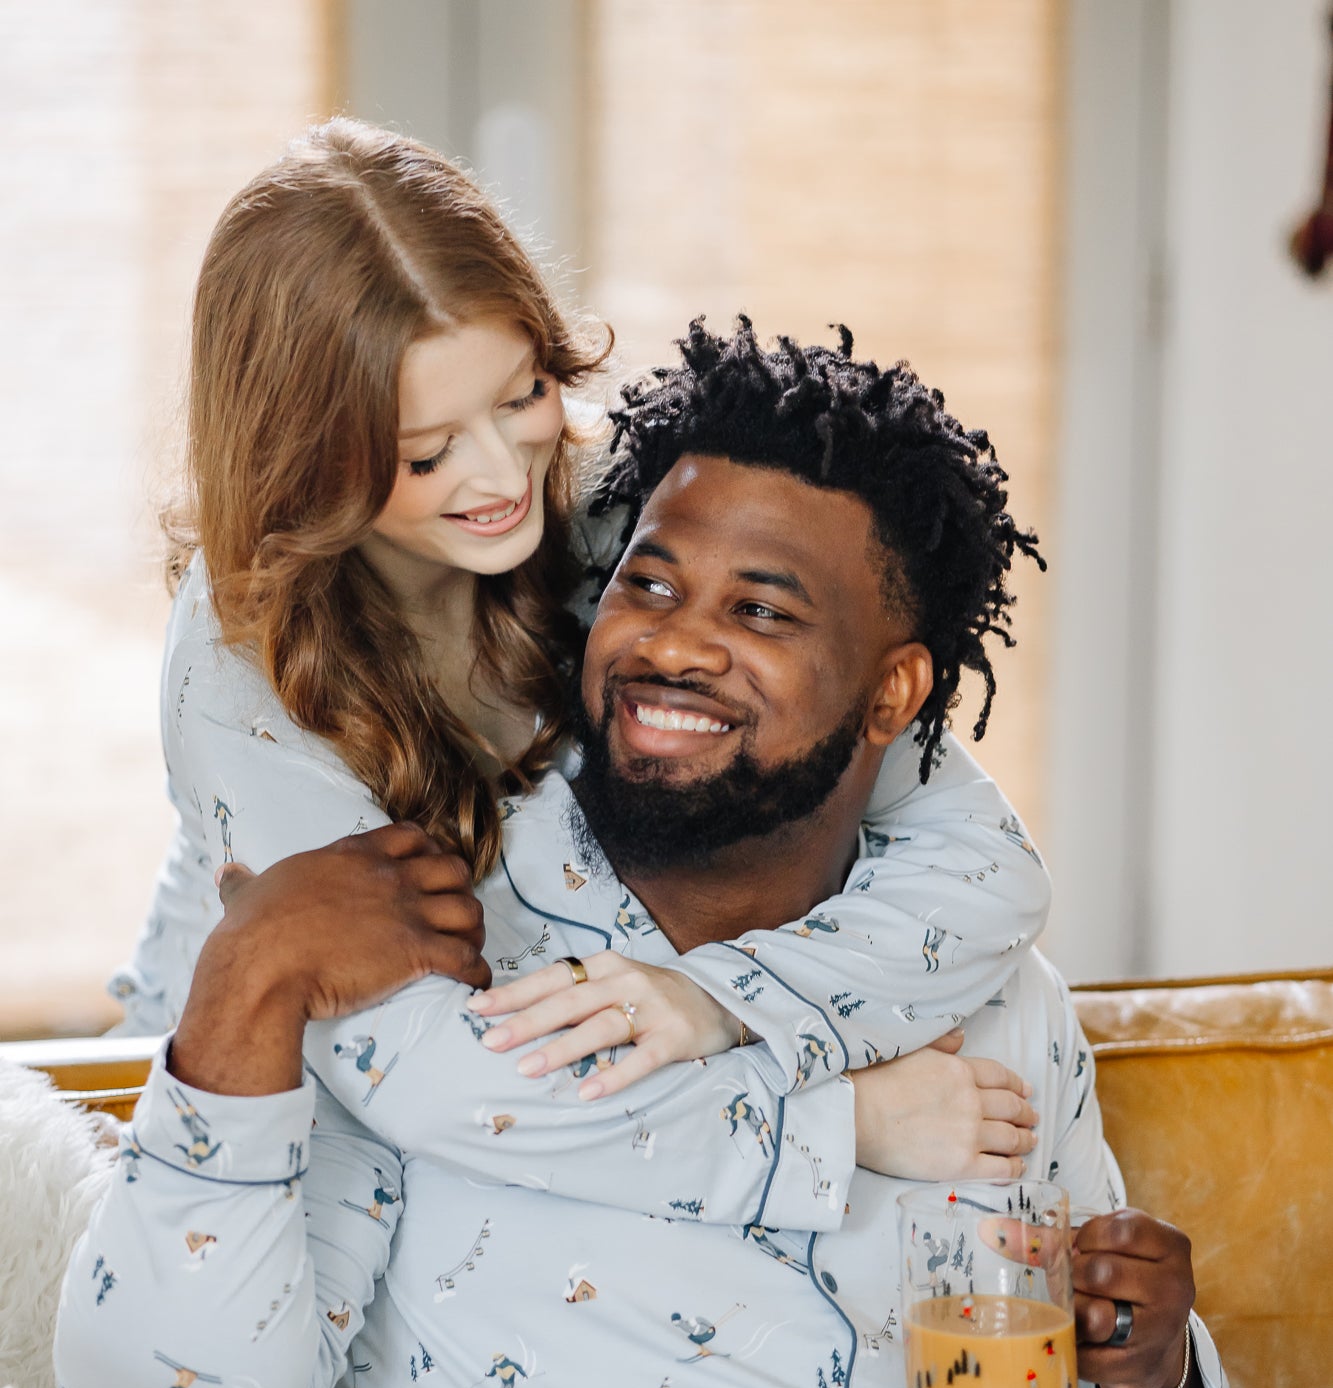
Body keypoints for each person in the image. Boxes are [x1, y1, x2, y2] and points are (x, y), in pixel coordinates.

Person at [59, 328, 1333, 1388]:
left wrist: (1145, 1381)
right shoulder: (432, 968)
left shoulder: (973, 976)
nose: (677, 644)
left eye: (762, 610)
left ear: (894, 691)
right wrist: (239, 1005)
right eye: (652, 585)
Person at [108, 121, 1050, 1134]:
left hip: (571, 1084)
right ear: (304, 461)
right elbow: (423, 1080)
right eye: (427, 455)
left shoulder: (617, 499)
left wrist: (728, 1001)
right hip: (262, 1115)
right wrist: (836, 1129)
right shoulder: (236, 640)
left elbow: (987, 867)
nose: (505, 477)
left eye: (525, 395)